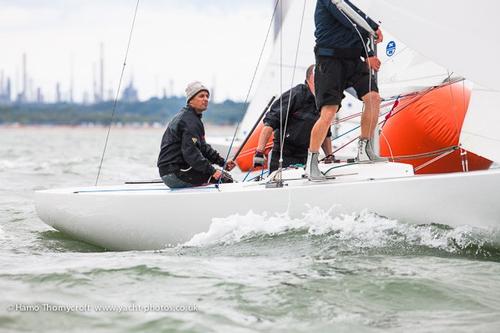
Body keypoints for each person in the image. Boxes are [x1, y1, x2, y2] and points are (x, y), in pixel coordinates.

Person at [305, 0, 386, 181]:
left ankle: (364, 149)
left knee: (373, 99)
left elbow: (357, 27)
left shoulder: (349, 4)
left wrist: (369, 54)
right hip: (329, 60)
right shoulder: (331, 2)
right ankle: (311, 163)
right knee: (329, 112)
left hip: (352, 59)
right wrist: (373, 27)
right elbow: (350, 20)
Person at [253, 65, 333, 172]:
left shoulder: (325, 102)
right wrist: (259, 152)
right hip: (284, 155)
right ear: (310, 78)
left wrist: (329, 156)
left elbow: (325, 132)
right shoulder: (296, 94)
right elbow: (270, 123)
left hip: (307, 155)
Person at [157, 81, 236, 188]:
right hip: (175, 173)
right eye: (201, 96)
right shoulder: (188, 120)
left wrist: (223, 163)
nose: (206, 99)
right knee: (225, 179)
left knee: (222, 176)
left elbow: (203, 148)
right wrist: (212, 171)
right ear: (191, 100)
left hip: (172, 171)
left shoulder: (192, 119)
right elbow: (191, 154)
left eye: (207, 96)